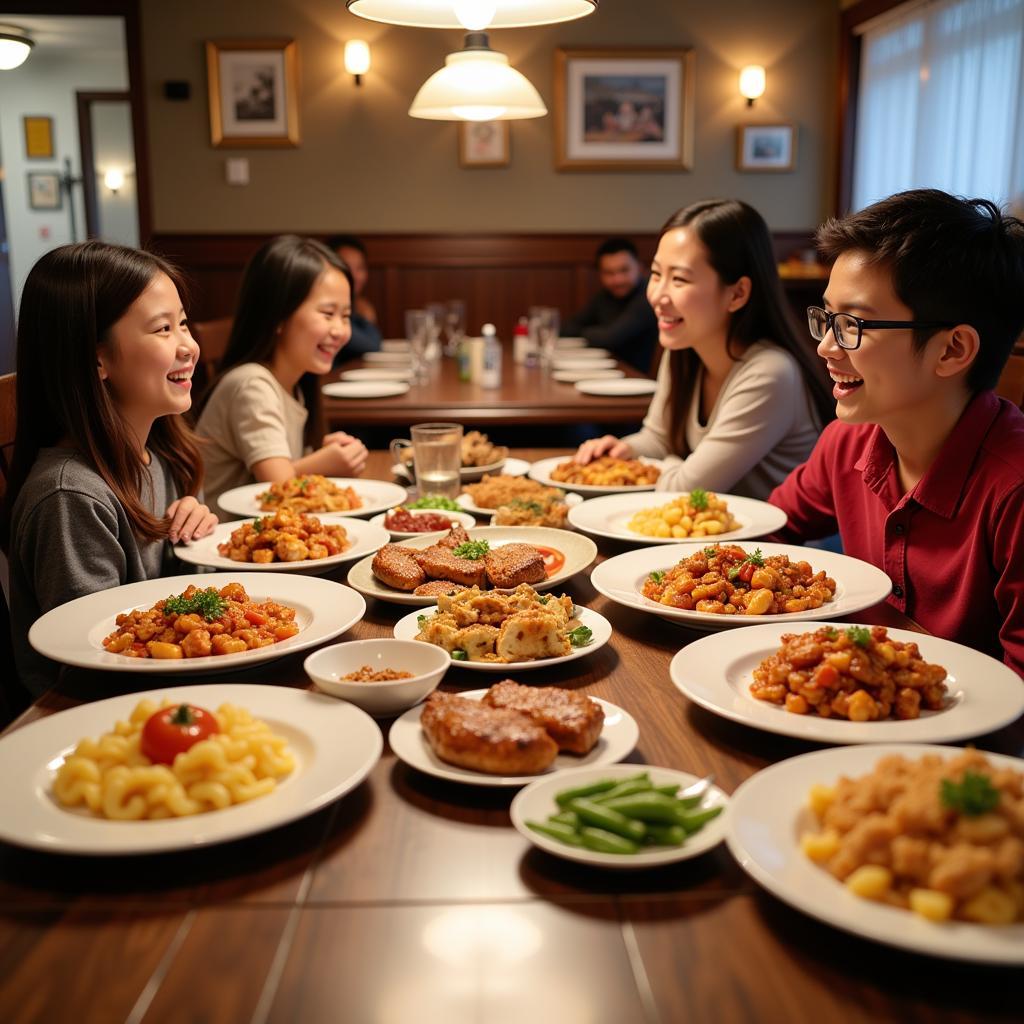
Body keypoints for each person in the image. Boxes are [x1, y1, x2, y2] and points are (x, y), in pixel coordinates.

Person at [768, 189, 1024, 676]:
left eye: (853, 325)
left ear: (952, 350)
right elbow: (770, 532)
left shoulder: (1013, 490)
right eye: (826, 317)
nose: (825, 346)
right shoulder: (848, 441)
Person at [0, 241, 218, 696]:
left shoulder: (160, 455)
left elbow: (196, 604)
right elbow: (98, 657)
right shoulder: (70, 496)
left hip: (177, 683)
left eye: (183, 323)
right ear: (97, 358)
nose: (189, 346)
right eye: (162, 329)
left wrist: (201, 534)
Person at [575, 199, 834, 498]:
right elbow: (659, 438)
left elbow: (685, 489)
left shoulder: (770, 373)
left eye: (680, 279)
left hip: (774, 543)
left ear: (737, 293)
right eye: (657, 274)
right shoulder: (684, 348)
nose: (657, 295)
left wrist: (670, 466)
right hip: (712, 539)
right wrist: (626, 449)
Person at [196, 235, 369, 517]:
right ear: (278, 316)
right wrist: (323, 463)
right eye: (327, 313)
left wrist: (321, 455)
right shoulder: (253, 384)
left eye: (346, 316)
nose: (340, 330)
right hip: (223, 548)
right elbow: (277, 486)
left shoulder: (295, 386)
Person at [562, 237, 659, 373]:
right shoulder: (604, 296)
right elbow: (566, 328)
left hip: (639, 379)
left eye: (624, 270)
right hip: (609, 372)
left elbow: (611, 338)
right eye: (609, 273)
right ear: (600, 274)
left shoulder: (648, 296)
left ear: (639, 268)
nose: (617, 279)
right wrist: (597, 333)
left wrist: (587, 332)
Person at [326, 233, 382, 361]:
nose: (355, 276)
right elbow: (371, 345)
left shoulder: (355, 306)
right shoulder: (330, 305)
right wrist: (366, 320)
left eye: (360, 268)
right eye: (347, 267)